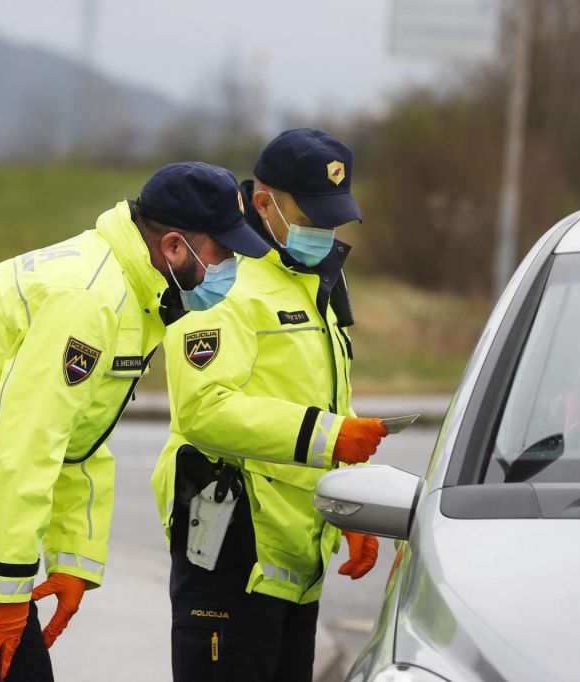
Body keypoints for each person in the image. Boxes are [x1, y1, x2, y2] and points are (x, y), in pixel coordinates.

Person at [0, 161, 270, 681]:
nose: (232, 267)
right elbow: (26, 443)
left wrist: (72, 560)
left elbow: (78, 440)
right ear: (174, 247)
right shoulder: (90, 298)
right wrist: (11, 589)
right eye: (225, 253)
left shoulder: (135, 296)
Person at [150, 129, 390, 682]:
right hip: (231, 558)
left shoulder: (314, 279)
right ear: (264, 202)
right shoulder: (222, 281)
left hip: (295, 567)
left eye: (332, 220)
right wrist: (330, 437)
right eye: (311, 217)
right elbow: (204, 411)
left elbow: (328, 400)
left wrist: (352, 504)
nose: (322, 233)